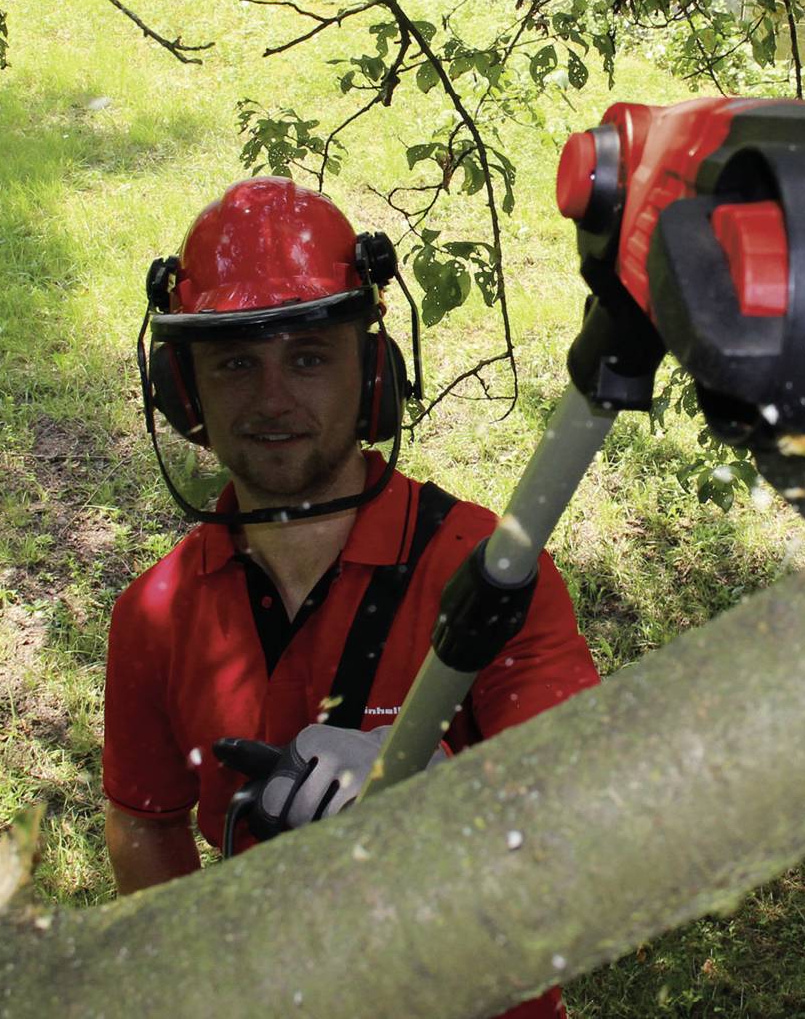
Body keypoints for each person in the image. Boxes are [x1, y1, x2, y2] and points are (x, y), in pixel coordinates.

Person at [103, 176, 599, 1019]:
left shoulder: (489, 570)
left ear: (373, 373)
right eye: (233, 364)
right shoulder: (155, 614)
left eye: (308, 357)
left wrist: (438, 791)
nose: (271, 401)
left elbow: (588, 815)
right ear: (184, 394)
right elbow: (146, 822)